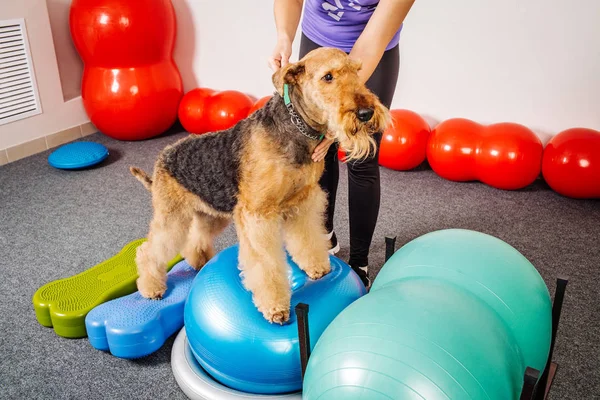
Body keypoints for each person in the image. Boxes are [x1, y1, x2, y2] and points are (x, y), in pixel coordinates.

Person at [269, 0, 415, 288]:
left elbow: (370, 43)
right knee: (316, 151)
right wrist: (284, 35)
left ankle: (359, 262)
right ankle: (323, 235)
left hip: (372, 51)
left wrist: (338, 122)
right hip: (318, 42)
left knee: (362, 156)